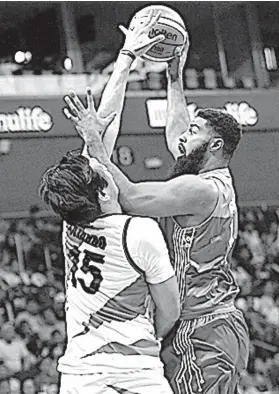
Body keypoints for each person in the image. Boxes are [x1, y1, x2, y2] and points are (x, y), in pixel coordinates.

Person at [63, 19, 250, 394]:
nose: (183, 136)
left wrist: (95, 143)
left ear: (215, 147)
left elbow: (129, 196)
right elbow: (177, 131)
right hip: (199, 324)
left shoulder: (199, 191)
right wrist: (174, 79)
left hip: (205, 330)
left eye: (194, 133)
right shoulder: (207, 179)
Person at [39, 15, 180, 393]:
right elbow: (170, 312)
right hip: (137, 372)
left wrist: (128, 55)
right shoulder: (140, 232)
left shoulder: (73, 222)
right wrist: (126, 57)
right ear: (103, 191)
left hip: (80, 375)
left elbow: (106, 133)